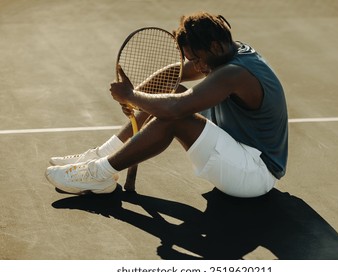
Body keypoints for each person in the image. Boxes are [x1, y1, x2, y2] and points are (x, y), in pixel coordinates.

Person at [46, 12, 288, 198]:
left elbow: (175, 109)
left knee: (176, 115)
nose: (197, 66)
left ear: (214, 47)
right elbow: (175, 74)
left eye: (196, 59)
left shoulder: (234, 74)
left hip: (254, 175)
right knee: (168, 91)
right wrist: (138, 94)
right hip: (237, 152)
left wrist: (131, 96)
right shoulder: (231, 49)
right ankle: (102, 154)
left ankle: (98, 174)